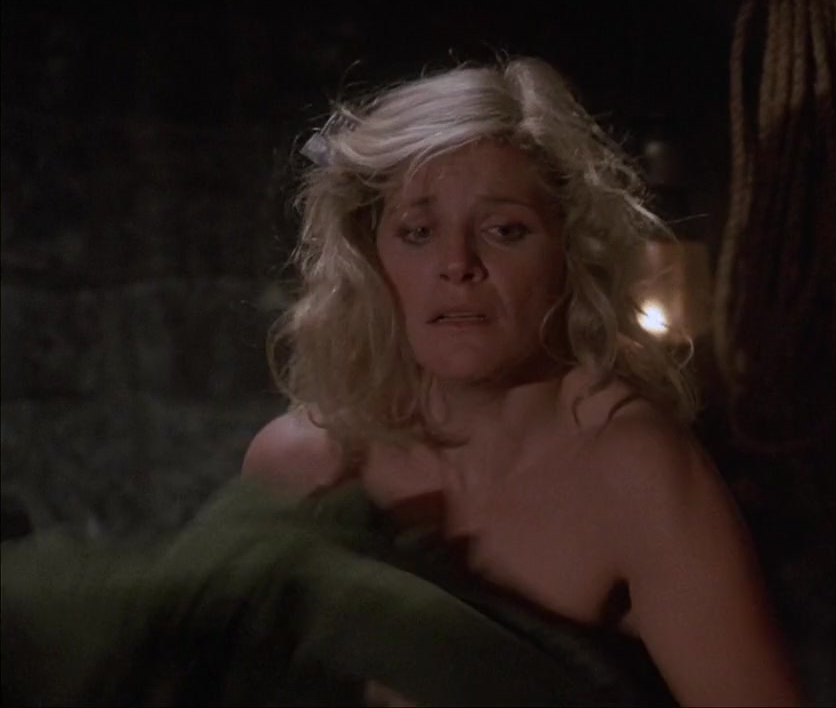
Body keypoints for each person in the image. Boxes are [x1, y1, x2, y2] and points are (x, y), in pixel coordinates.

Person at [241, 57, 804, 706]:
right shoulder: (303, 465)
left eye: (505, 231)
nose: (457, 264)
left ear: (569, 249)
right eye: (418, 232)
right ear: (372, 257)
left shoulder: (630, 472)